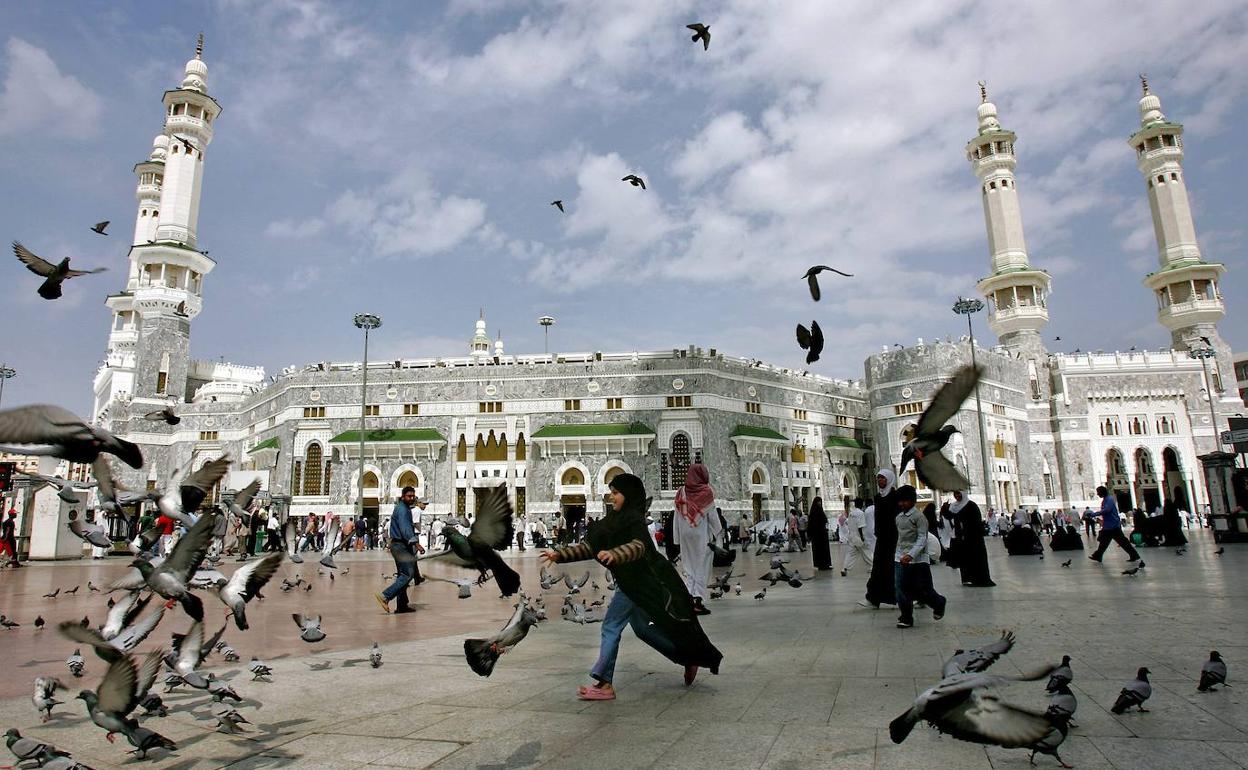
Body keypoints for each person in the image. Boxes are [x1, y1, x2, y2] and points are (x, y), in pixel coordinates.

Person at [540, 472, 722, 700]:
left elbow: (638, 547)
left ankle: (604, 683)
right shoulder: (612, 521)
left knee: (611, 625)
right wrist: (559, 555)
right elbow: (590, 546)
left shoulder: (634, 520)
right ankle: (687, 657)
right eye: (611, 492)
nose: (612, 497)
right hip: (630, 583)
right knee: (642, 629)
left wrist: (616, 554)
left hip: (638, 582)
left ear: (629, 495)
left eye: (616, 493)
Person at [672, 463, 721, 615]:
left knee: (688, 566)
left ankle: (689, 600)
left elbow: (676, 516)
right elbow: (712, 516)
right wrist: (718, 534)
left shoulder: (681, 492)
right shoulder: (706, 492)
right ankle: (698, 601)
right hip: (700, 535)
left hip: (685, 535)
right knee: (701, 566)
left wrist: (676, 539)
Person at [893, 486, 945, 628]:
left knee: (923, 590)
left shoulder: (919, 517)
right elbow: (900, 538)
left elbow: (922, 538)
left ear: (912, 501)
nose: (902, 504)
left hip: (918, 560)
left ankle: (939, 603)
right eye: (900, 501)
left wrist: (911, 555)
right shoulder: (898, 518)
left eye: (905, 501)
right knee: (900, 589)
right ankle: (906, 617)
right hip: (900, 558)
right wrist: (899, 555)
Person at [374, 487, 427, 614]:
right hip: (400, 545)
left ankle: (402, 605)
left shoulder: (404, 508)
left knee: (402, 575)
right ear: (403, 497)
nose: (411, 498)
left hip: (399, 545)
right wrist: (416, 543)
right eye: (409, 496)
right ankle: (385, 596)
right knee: (408, 574)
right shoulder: (403, 509)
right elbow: (405, 529)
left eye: (413, 496)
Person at [860, 469, 899, 608]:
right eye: (878, 478)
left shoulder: (895, 496)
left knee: (895, 569)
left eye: (882, 478)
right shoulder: (878, 497)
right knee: (878, 568)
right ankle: (873, 598)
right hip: (882, 539)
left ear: (889, 479)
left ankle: (907, 597)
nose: (879, 480)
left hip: (894, 538)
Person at [945, 490, 995, 587]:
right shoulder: (954, 506)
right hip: (961, 538)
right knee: (964, 559)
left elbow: (976, 522)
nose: (957, 496)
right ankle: (967, 579)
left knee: (976, 558)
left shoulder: (971, 505)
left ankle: (979, 579)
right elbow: (950, 517)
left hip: (973, 538)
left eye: (959, 493)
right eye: (955, 494)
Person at [1088, 486, 1143, 565]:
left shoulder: (1109, 499)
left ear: (1102, 492)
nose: (1098, 494)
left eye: (1098, 492)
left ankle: (1098, 555)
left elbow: (1107, 510)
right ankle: (1098, 555)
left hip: (1112, 525)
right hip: (1109, 525)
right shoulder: (1106, 500)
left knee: (1118, 542)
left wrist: (1095, 514)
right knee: (1106, 542)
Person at [840, 498, 872, 577]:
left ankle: (844, 568)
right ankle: (875, 565)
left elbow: (848, 524)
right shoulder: (861, 513)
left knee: (850, 554)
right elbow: (860, 527)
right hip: (858, 536)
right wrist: (862, 538)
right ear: (862, 504)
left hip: (851, 536)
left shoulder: (851, 513)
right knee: (867, 553)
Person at [807, 496, 832, 570]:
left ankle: (826, 564)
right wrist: (809, 535)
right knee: (818, 550)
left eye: (820, 501)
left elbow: (824, 520)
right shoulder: (813, 513)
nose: (819, 503)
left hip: (823, 534)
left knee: (825, 550)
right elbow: (810, 524)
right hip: (816, 535)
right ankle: (820, 565)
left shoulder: (821, 511)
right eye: (818, 501)